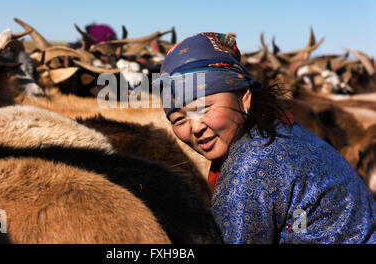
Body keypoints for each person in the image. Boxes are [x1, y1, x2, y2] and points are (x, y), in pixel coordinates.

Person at [158, 32, 375, 243]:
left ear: (244, 99)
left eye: (203, 108)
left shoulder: (251, 166)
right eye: (178, 120)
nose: (195, 127)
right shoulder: (279, 127)